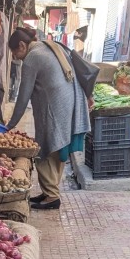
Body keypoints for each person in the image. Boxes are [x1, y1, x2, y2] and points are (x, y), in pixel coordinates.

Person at [6, 26, 90, 211]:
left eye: (15, 52)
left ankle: (52, 196)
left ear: (22, 45)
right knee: (56, 150)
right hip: (68, 104)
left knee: (44, 151)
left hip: (55, 109)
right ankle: (49, 193)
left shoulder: (32, 58)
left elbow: (23, 96)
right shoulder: (46, 46)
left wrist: (9, 125)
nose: (15, 57)